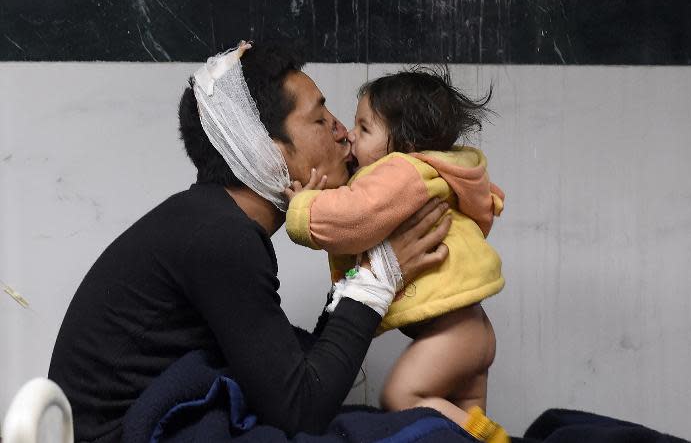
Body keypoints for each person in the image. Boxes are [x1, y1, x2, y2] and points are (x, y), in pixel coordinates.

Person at [47, 41, 451, 442]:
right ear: (267, 150)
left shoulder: (209, 221)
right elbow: (301, 409)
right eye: (319, 119)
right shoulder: (220, 238)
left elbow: (292, 376)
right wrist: (376, 279)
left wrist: (363, 277)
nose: (343, 132)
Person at [283, 66, 508, 443]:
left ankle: (493, 438)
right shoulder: (425, 172)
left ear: (404, 145)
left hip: (452, 333)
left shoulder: (401, 172)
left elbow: (354, 218)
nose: (350, 135)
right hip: (472, 328)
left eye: (364, 128)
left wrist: (304, 207)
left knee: (401, 396)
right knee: (457, 426)